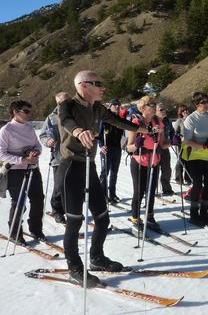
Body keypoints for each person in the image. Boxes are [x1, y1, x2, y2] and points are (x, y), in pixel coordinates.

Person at [57, 70, 149, 287]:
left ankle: (97, 258)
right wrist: (79, 131)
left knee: (102, 217)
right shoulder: (68, 105)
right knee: (74, 221)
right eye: (97, 83)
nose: (102, 87)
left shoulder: (97, 108)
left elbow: (116, 121)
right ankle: (75, 268)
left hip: (89, 166)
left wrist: (140, 128)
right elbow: (66, 120)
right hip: (71, 167)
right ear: (83, 85)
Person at [0, 100, 45, 244]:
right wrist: (23, 160)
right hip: (15, 172)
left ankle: (36, 229)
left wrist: (36, 151)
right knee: (19, 203)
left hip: (32, 169)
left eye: (29, 111)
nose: (28, 114)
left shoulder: (29, 127)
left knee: (38, 200)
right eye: (25, 111)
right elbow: (1, 154)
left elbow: (37, 144)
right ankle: (15, 233)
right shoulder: (6, 130)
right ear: (15, 112)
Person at [126, 96, 170, 234]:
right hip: (139, 161)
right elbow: (129, 147)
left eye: (154, 104)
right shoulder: (135, 122)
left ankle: (150, 217)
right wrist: (137, 145)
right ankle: (135, 219)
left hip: (154, 160)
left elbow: (162, 144)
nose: (154, 106)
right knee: (139, 192)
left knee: (151, 191)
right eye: (151, 104)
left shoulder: (158, 122)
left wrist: (173, 142)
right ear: (143, 108)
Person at [182, 92, 208, 226]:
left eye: (207, 101)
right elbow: (187, 141)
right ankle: (194, 213)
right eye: (203, 102)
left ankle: (204, 212)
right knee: (198, 184)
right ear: (196, 104)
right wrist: (204, 145)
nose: (206, 104)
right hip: (195, 156)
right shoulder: (190, 119)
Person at [39, 92, 71, 224]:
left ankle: (71, 210)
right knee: (59, 187)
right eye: (64, 102)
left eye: (68, 101)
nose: (67, 104)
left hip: (75, 156)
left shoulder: (76, 115)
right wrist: (48, 141)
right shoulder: (51, 118)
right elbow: (42, 136)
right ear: (58, 103)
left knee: (71, 186)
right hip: (58, 158)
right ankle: (57, 211)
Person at [98, 99, 124, 204]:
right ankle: (102, 195)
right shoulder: (104, 119)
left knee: (114, 172)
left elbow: (124, 135)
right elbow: (99, 135)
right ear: (110, 106)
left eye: (118, 105)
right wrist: (101, 146)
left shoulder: (120, 119)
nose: (117, 107)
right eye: (115, 105)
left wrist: (125, 144)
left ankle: (112, 194)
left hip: (117, 148)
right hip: (107, 148)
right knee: (105, 172)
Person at [156, 102, 175, 196]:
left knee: (167, 169)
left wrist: (173, 139)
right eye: (161, 110)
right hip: (154, 148)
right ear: (155, 111)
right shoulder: (153, 120)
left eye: (164, 109)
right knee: (154, 169)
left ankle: (166, 188)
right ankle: (151, 190)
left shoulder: (167, 120)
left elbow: (172, 131)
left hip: (165, 147)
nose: (164, 111)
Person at [173, 104, 191, 186]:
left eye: (186, 110)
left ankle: (188, 178)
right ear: (181, 113)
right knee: (180, 160)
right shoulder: (179, 121)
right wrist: (180, 137)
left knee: (189, 160)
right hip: (181, 143)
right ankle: (178, 178)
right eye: (183, 111)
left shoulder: (191, 120)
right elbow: (174, 132)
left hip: (191, 143)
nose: (185, 112)